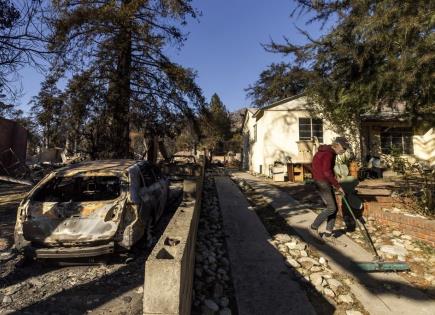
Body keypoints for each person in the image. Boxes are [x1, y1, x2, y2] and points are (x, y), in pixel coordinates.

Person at [310, 137, 350, 241]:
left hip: (324, 181)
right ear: (337, 145)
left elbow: (328, 170)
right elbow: (326, 172)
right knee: (332, 208)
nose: (344, 150)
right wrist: (338, 186)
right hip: (322, 182)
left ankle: (328, 234)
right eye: (343, 148)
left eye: (346, 149)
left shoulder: (328, 151)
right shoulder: (328, 154)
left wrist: (334, 181)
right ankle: (314, 227)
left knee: (334, 208)